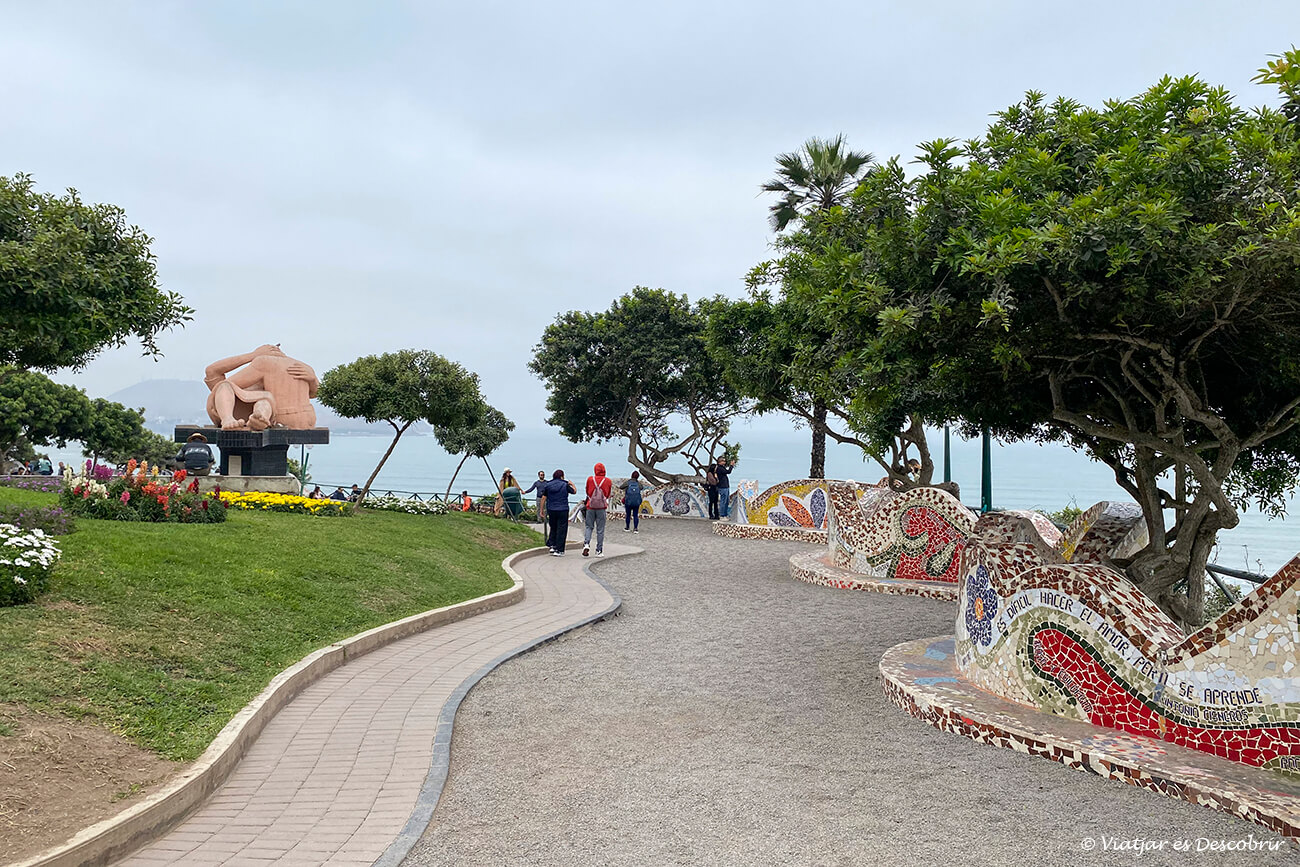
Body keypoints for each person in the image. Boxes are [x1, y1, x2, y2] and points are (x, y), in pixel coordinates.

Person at [540, 470, 577, 555]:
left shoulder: (548, 485)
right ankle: (559, 550)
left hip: (551, 509)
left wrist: (541, 510)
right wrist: (572, 484)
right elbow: (574, 492)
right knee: (562, 529)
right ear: (562, 476)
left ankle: (552, 545)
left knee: (553, 527)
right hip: (563, 509)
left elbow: (543, 498)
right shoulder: (565, 484)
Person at [582, 462, 613, 557]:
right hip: (601, 507)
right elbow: (607, 494)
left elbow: (587, 491)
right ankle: (599, 550)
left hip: (590, 506)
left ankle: (586, 543)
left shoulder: (590, 479)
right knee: (600, 529)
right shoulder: (608, 481)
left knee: (589, 527)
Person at [523, 471, 548, 542]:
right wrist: (525, 492)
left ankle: (545, 519)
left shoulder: (547, 482)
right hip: (538, 497)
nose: (542, 476)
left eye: (543, 475)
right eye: (541, 475)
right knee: (538, 509)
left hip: (545, 497)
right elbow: (531, 488)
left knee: (545, 509)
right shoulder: (536, 483)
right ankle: (539, 520)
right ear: (538, 476)